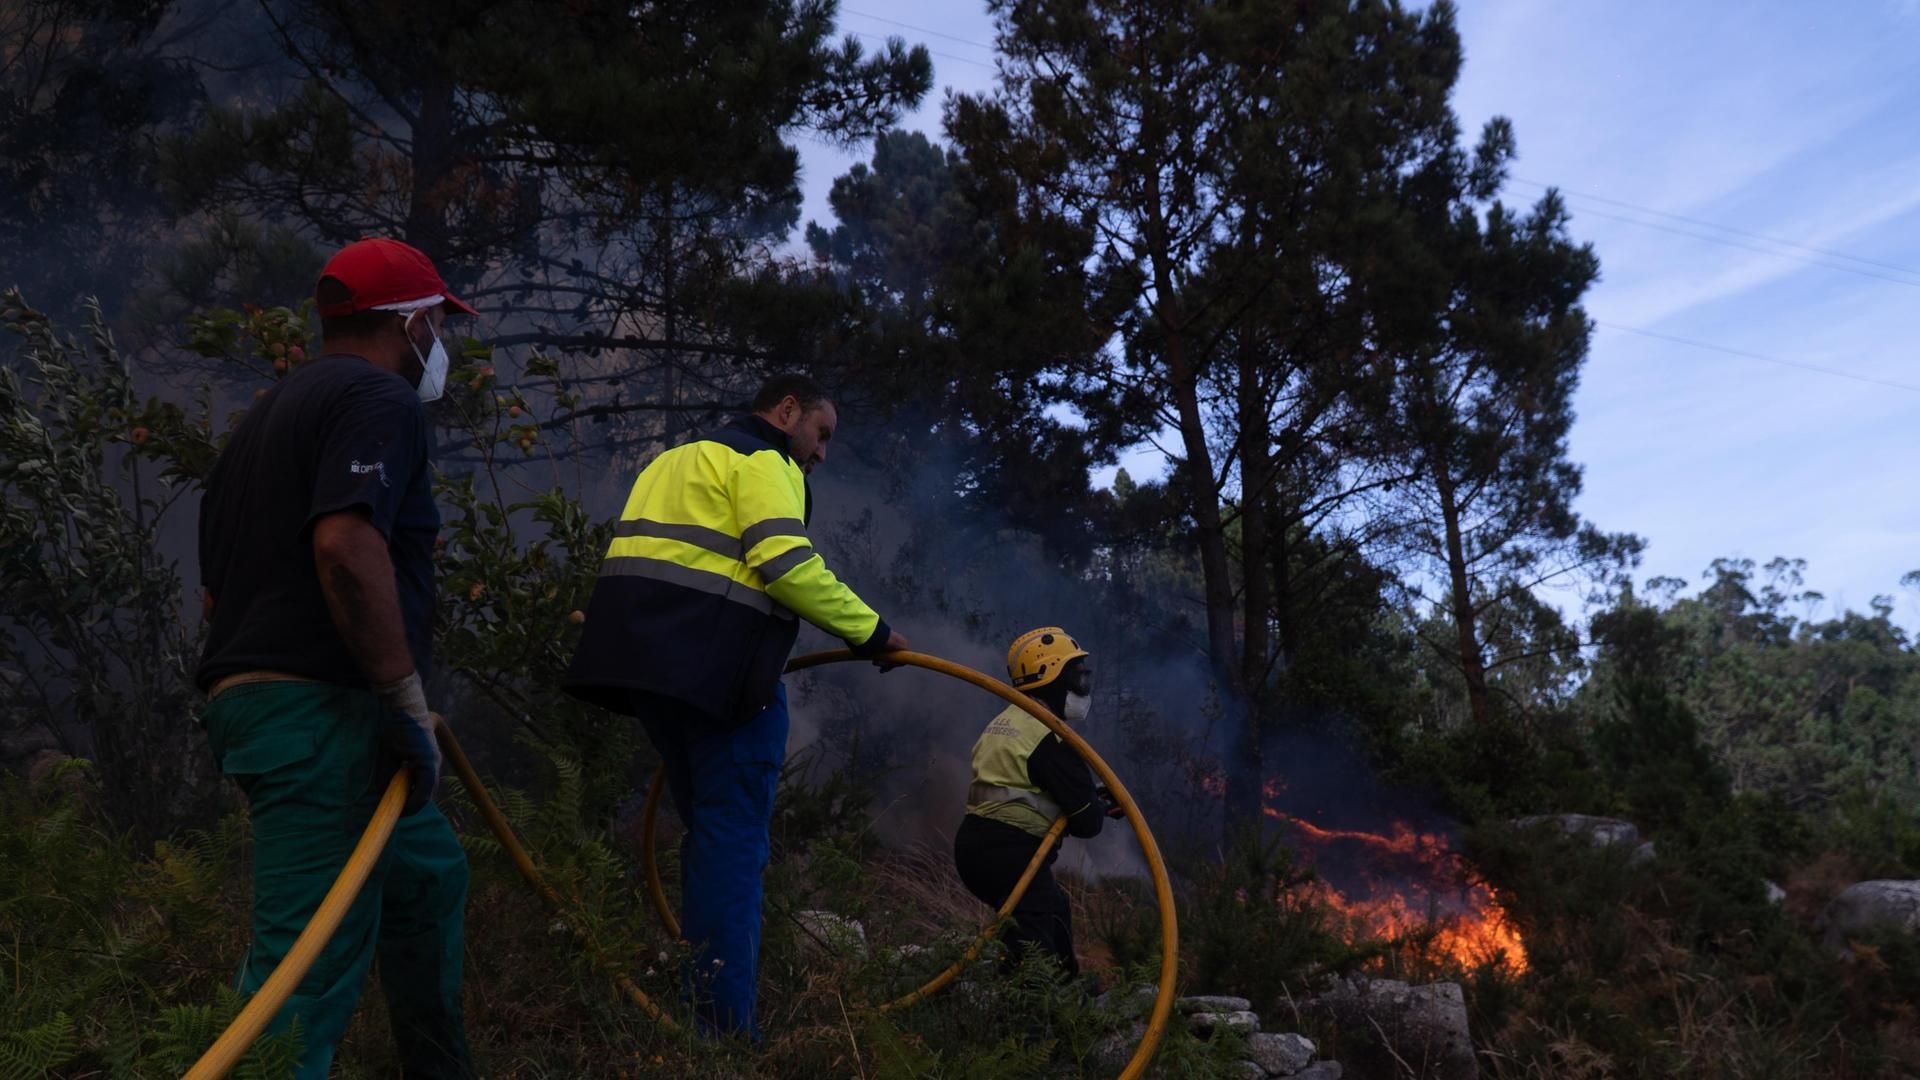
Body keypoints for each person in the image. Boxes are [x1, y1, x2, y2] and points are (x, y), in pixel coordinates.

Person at [196, 237, 474, 1079]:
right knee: (303, 971)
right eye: (436, 323)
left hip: (279, 704)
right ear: (411, 322)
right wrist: (398, 694)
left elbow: (216, 594)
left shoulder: (263, 422)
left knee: (428, 878)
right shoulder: (378, 400)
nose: (438, 342)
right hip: (319, 715)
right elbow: (347, 546)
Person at [564, 373, 908, 1039]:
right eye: (820, 433)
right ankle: (723, 1036)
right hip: (719, 682)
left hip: (648, 680)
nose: (821, 454)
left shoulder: (675, 460)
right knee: (732, 844)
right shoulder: (764, 460)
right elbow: (786, 562)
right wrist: (872, 632)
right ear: (786, 412)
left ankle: (701, 1011)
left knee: (711, 839)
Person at [954, 627, 1117, 981]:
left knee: (1052, 909)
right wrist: (1098, 806)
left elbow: (1033, 788)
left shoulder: (1007, 721)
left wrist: (1095, 800)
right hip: (1009, 856)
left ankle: (1065, 990)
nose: (1082, 686)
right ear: (1052, 678)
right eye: (1075, 676)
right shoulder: (1051, 738)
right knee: (1033, 941)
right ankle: (1032, 1022)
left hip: (976, 848)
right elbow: (1086, 823)